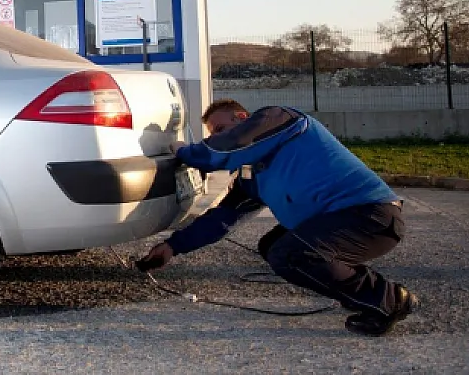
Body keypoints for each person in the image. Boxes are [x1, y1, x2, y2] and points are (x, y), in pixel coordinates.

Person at [137, 99, 418, 337]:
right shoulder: (253, 176)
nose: (216, 136)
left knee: (291, 254)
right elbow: (220, 219)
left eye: (220, 129)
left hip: (372, 218)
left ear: (243, 118)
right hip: (344, 223)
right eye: (212, 132)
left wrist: (183, 151)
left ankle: (388, 299)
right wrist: (173, 246)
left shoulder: (282, 119)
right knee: (273, 245)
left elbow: (225, 147)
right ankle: (360, 293)